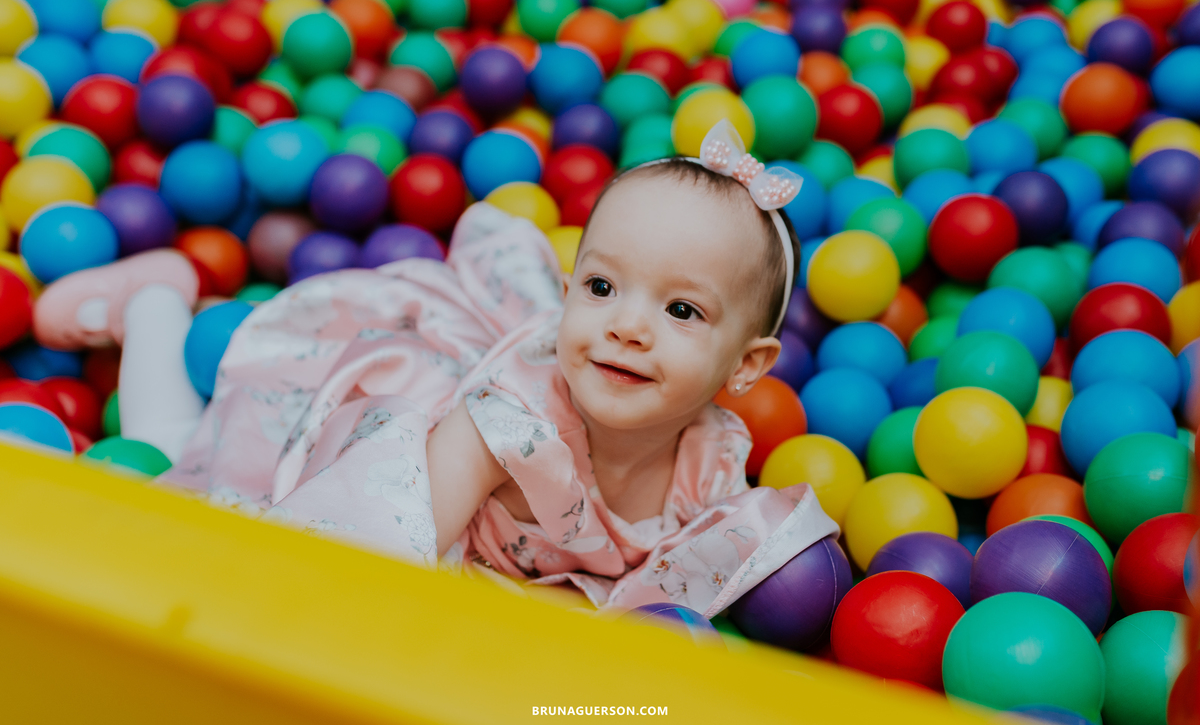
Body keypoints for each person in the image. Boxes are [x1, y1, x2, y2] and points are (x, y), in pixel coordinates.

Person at [33, 120, 837, 616]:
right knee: (180, 464)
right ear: (567, 294)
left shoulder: (711, 463)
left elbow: (676, 595)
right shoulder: (514, 423)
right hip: (370, 462)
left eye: (682, 310)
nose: (627, 326)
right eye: (601, 287)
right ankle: (155, 302)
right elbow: (379, 545)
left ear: (747, 366)